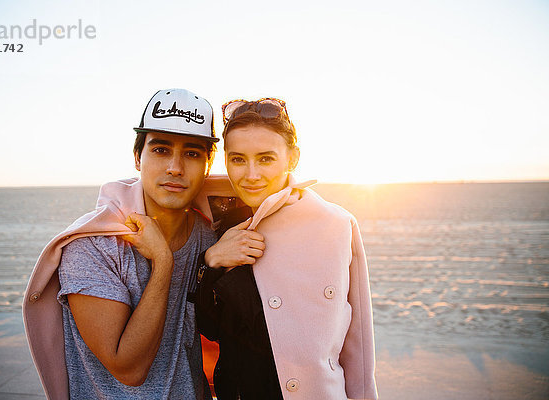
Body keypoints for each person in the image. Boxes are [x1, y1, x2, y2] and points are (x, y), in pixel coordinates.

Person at [23, 88, 219, 399]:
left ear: (208, 165)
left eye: (193, 153)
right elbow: (128, 368)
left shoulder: (212, 238)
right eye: (160, 150)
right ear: (137, 158)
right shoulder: (94, 246)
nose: (175, 167)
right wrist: (163, 263)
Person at [194, 98, 378, 399]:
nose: (251, 175)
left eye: (265, 158)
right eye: (238, 159)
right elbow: (210, 329)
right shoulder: (217, 222)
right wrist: (211, 262)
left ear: (292, 158)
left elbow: (358, 345)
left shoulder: (336, 224)